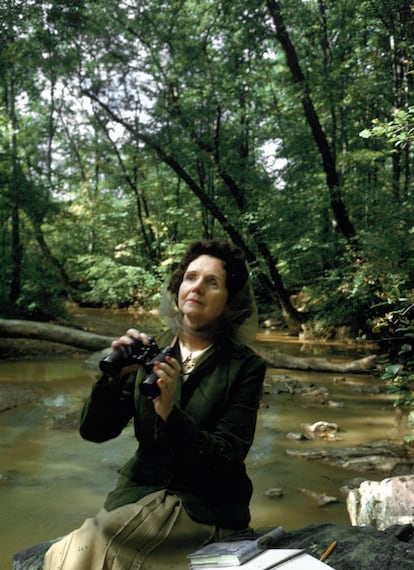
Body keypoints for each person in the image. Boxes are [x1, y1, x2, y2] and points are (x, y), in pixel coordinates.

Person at [42, 239, 267, 570]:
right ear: (177, 287)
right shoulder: (152, 351)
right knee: (71, 551)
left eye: (212, 282)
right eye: (190, 278)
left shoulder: (245, 366)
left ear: (230, 301)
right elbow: (94, 432)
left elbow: (227, 457)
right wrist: (112, 379)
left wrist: (169, 415)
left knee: (94, 546)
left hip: (203, 504)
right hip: (138, 494)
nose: (197, 288)